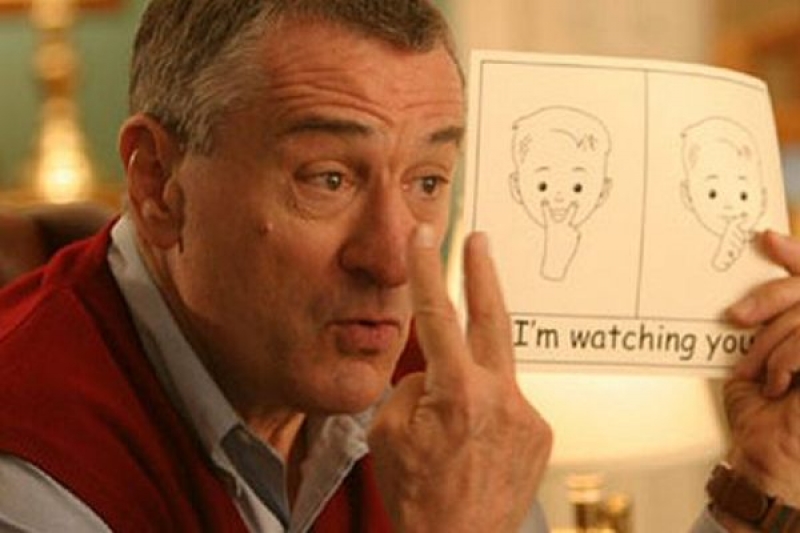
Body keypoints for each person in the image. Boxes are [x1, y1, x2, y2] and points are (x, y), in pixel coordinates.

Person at [0, 1, 797, 532]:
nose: (390, 261)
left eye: (427, 182)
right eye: (328, 179)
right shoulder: (31, 464)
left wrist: (760, 486)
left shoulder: (427, 390)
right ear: (157, 184)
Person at [509, 106, 613, 280]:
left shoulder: (609, 253)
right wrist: (553, 264)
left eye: (577, 187)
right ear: (516, 187)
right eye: (543, 186)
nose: (559, 198)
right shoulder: (509, 248)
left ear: (603, 191)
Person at [680, 116, 767, 271]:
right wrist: (720, 262)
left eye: (743, 195)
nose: (730, 206)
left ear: (763, 200)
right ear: (687, 196)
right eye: (712, 194)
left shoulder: (768, 246)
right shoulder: (686, 248)